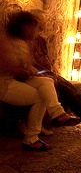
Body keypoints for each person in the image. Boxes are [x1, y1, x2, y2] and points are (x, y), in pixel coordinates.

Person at [0, 11, 76, 151]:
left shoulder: (23, 43)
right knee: (41, 96)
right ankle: (31, 138)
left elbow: (26, 65)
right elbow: (11, 69)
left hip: (18, 81)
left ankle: (58, 114)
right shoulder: (5, 43)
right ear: (22, 26)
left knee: (46, 82)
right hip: (5, 84)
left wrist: (33, 72)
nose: (35, 30)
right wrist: (27, 72)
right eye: (32, 26)